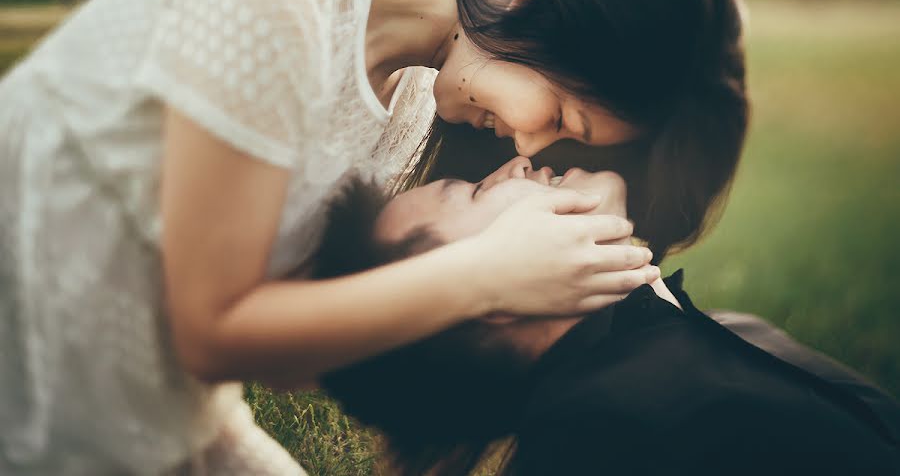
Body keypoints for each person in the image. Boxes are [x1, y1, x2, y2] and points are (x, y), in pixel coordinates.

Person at [0, 0, 748, 474]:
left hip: (158, 408)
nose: (525, 145)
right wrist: (487, 275)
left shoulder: (423, 95)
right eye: (561, 116)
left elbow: (284, 355)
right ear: (532, 4)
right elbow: (211, 333)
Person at [316, 158, 900, 476]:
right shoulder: (604, 439)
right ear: (472, 295)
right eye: (472, 192)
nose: (515, 163)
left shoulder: (728, 329)